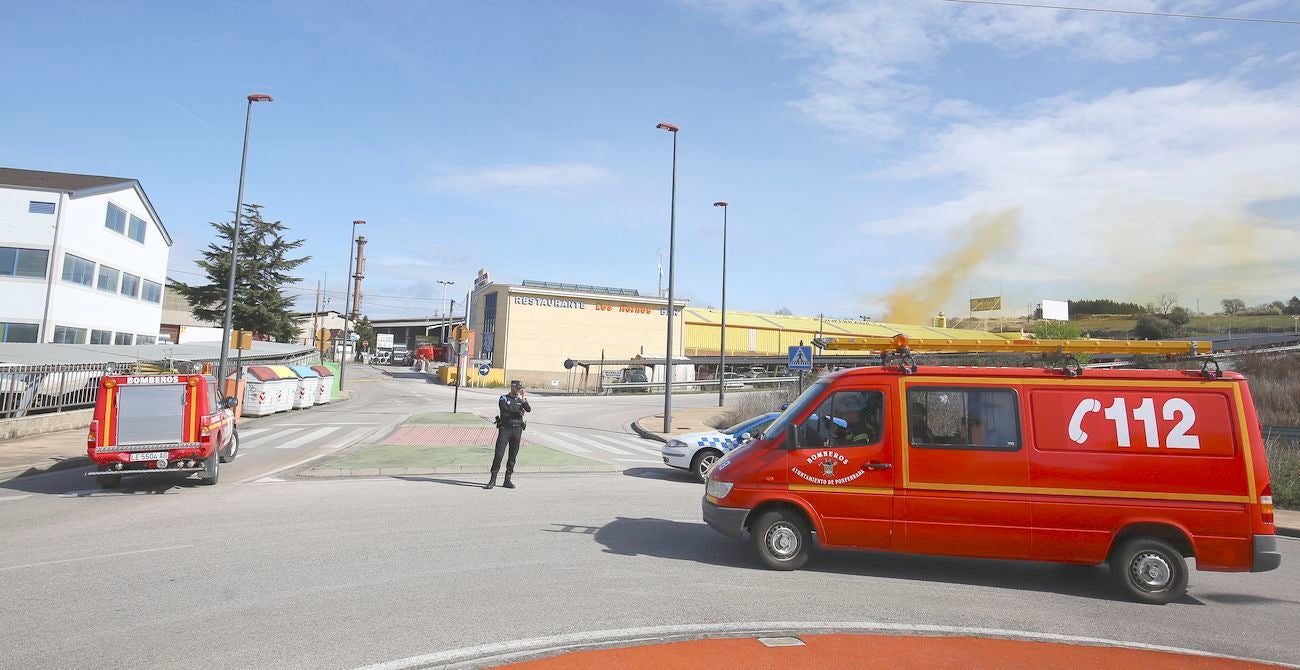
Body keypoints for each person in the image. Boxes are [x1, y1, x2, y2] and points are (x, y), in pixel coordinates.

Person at [486, 380, 531, 490]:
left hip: (517, 430)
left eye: (520, 388)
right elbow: (505, 412)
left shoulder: (521, 400)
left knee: (512, 456)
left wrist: (523, 399)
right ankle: (493, 479)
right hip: (505, 429)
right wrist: (518, 413)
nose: (518, 390)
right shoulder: (504, 398)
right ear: (512, 387)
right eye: (516, 388)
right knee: (498, 454)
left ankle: (507, 479)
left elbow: (528, 409)